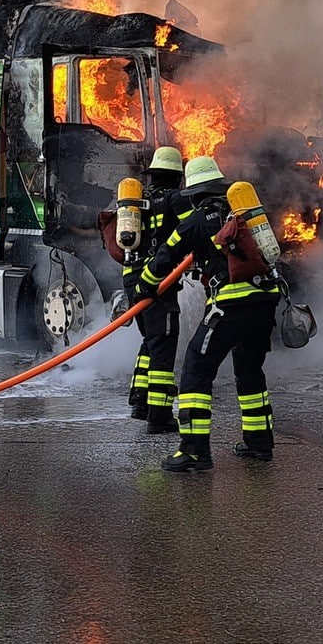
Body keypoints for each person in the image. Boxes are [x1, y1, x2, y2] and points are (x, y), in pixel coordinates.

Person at [130, 156, 281, 472]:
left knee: (196, 370)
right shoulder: (240, 213)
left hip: (230, 305)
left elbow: (164, 258)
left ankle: (195, 451)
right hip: (266, 301)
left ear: (194, 194)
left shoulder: (197, 221)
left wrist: (143, 288)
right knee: (250, 371)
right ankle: (259, 445)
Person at [123, 145, 192, 433]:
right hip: (156, 280)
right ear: (177, 177)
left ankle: (140, 401)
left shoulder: (140, 202)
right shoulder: (176, 199)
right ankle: (160, 416)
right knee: (163, 342)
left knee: (150, 340)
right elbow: (195, 231)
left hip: (131, 277)